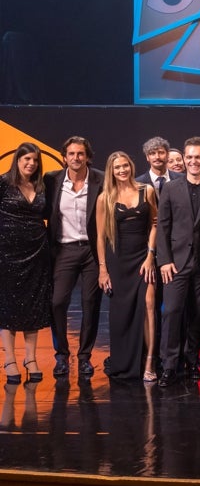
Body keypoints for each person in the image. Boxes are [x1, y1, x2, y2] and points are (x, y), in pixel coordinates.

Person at [43, 136, 103, 380]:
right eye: (71, 154)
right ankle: (62, 355)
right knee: (57, 302)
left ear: (87, 156)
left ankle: (85, 357)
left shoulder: (101, 179)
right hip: (63, 249)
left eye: (80, 154)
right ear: (64, 156)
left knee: (91, 305)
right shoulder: (52, 180)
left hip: (92, 251)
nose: (76, 158)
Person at [96, 151, 158, 381]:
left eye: (125, 166)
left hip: (143, 258)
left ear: (131, 166)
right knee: (121, 314)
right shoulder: (105, 198)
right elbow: (100, 237)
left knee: (149, 305)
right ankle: (125, 362)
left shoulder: (147, 191)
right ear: (111, 171)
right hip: (118, 261)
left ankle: (150, 363)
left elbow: (155, 224)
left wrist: (151, 256)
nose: (122, 170)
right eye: (117, 167)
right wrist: (103, 269)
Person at [155, 137, 200, 387]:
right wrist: (164, 260)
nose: (192, 161)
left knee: (198, 314)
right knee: (172, 312)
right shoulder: (170, 188)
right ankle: (168, 365)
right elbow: (162, 227)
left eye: (198, 156)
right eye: (188, 157)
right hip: (175, 263)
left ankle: (192, 360)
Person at [0, 142, 52, 385]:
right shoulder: (3, 183)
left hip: (37, 253)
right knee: (8, 306)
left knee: (32, 306)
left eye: (34, 160)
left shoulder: (41, 186)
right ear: (17, 160)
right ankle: (9, 358)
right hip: (7, 255)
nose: (31, 163)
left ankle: (30, 358)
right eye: (26, 159)